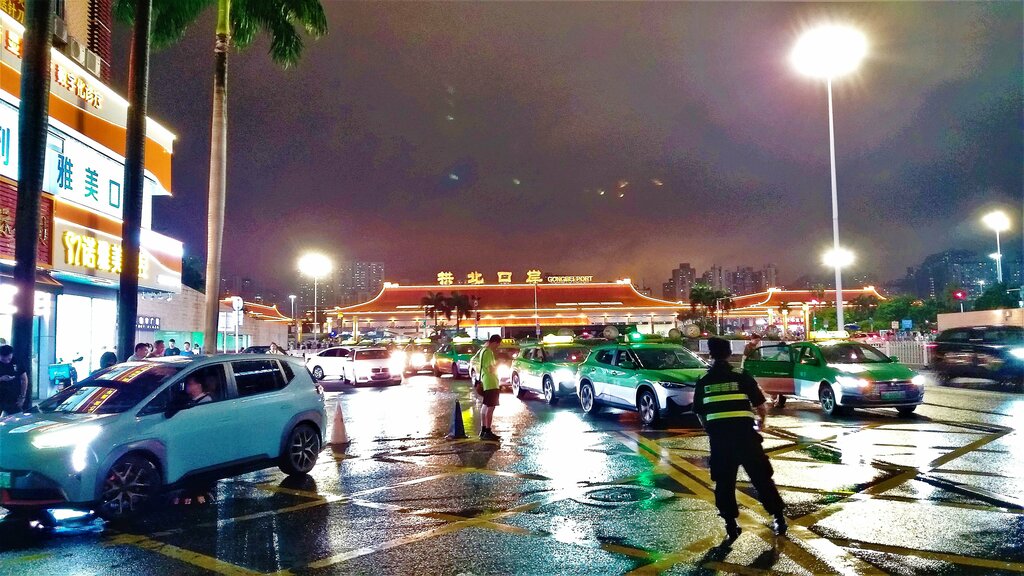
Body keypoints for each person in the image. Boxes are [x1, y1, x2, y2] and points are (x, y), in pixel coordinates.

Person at [694, 337, 786, 540]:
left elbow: (700, 412)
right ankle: (778, 517)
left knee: (724, 482)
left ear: (710, 354)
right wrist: (762, 422)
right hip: (745, 437)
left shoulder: (704, 380)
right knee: (761, 478)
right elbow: (760, 404)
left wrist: (710, 428)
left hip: (720, 440)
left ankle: (730, 524)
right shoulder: (741, 375)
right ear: (729, 353)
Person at [477, 334, 502, 441]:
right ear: (495, 342)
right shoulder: (489, 352)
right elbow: (491, 368)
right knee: (491, 408)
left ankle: (483, 430)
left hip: (486, 382)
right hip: (491, 382)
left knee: (485, 406)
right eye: (498, 344)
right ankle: (488, 430)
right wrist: (497, 365)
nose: (497, 347)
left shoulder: (483, 351)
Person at [0, 345, 28, 417]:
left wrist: (22, 397)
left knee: (18, 418)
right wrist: (1, 379)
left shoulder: (17, 361)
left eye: (9, 359)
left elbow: (24, 379)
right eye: (3, 360)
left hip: (13, 397)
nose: (7, 362)